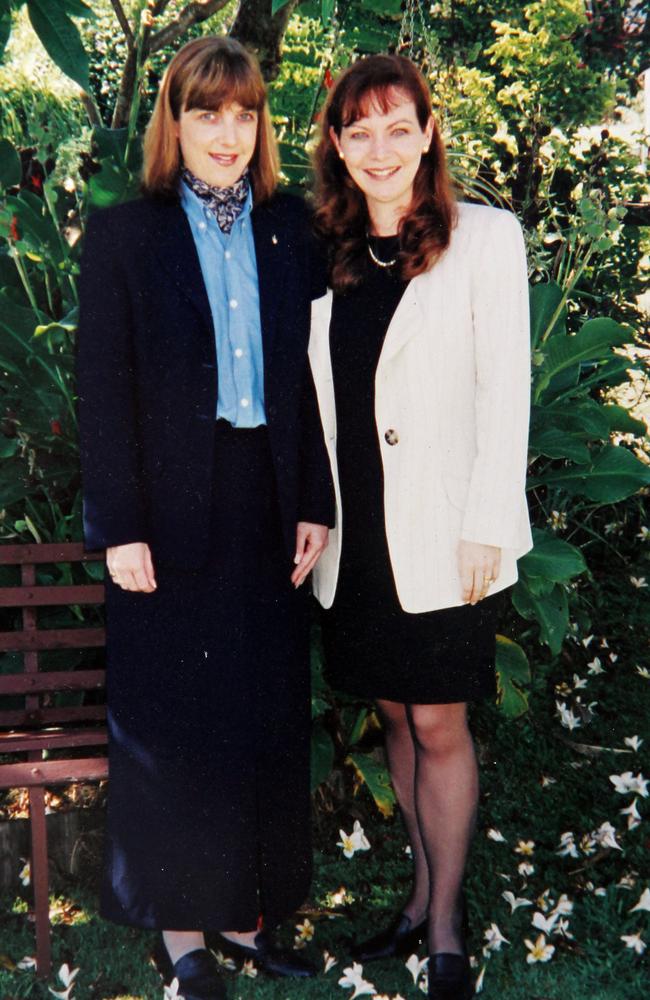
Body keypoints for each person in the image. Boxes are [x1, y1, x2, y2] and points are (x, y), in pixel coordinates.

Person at [76, 36, 334, 1000]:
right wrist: (120, 525)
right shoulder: (124, 235)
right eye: (205, 113)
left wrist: (315, 503)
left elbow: (313, 390)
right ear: (173, 123)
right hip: (163, 511)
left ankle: (242, 911)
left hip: (266, 500)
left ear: (261, 124)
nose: (227, 133)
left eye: (243, 113)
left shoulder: (294, 229)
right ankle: (179, 930)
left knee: (259, 715)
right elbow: (100, 391)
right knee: (172, 717)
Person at [309, 54, 532, 1000]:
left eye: (399, 126)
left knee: (438, 717)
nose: (380, 148)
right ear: (335, 146)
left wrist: (489, 523)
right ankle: (415, 891)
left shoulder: (486, 237)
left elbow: (506, 389)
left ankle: (445, 924)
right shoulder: (326, 250)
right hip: (358, 530)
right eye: (358, 131)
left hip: (446, 530)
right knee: (393, 710)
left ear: (431, 132)